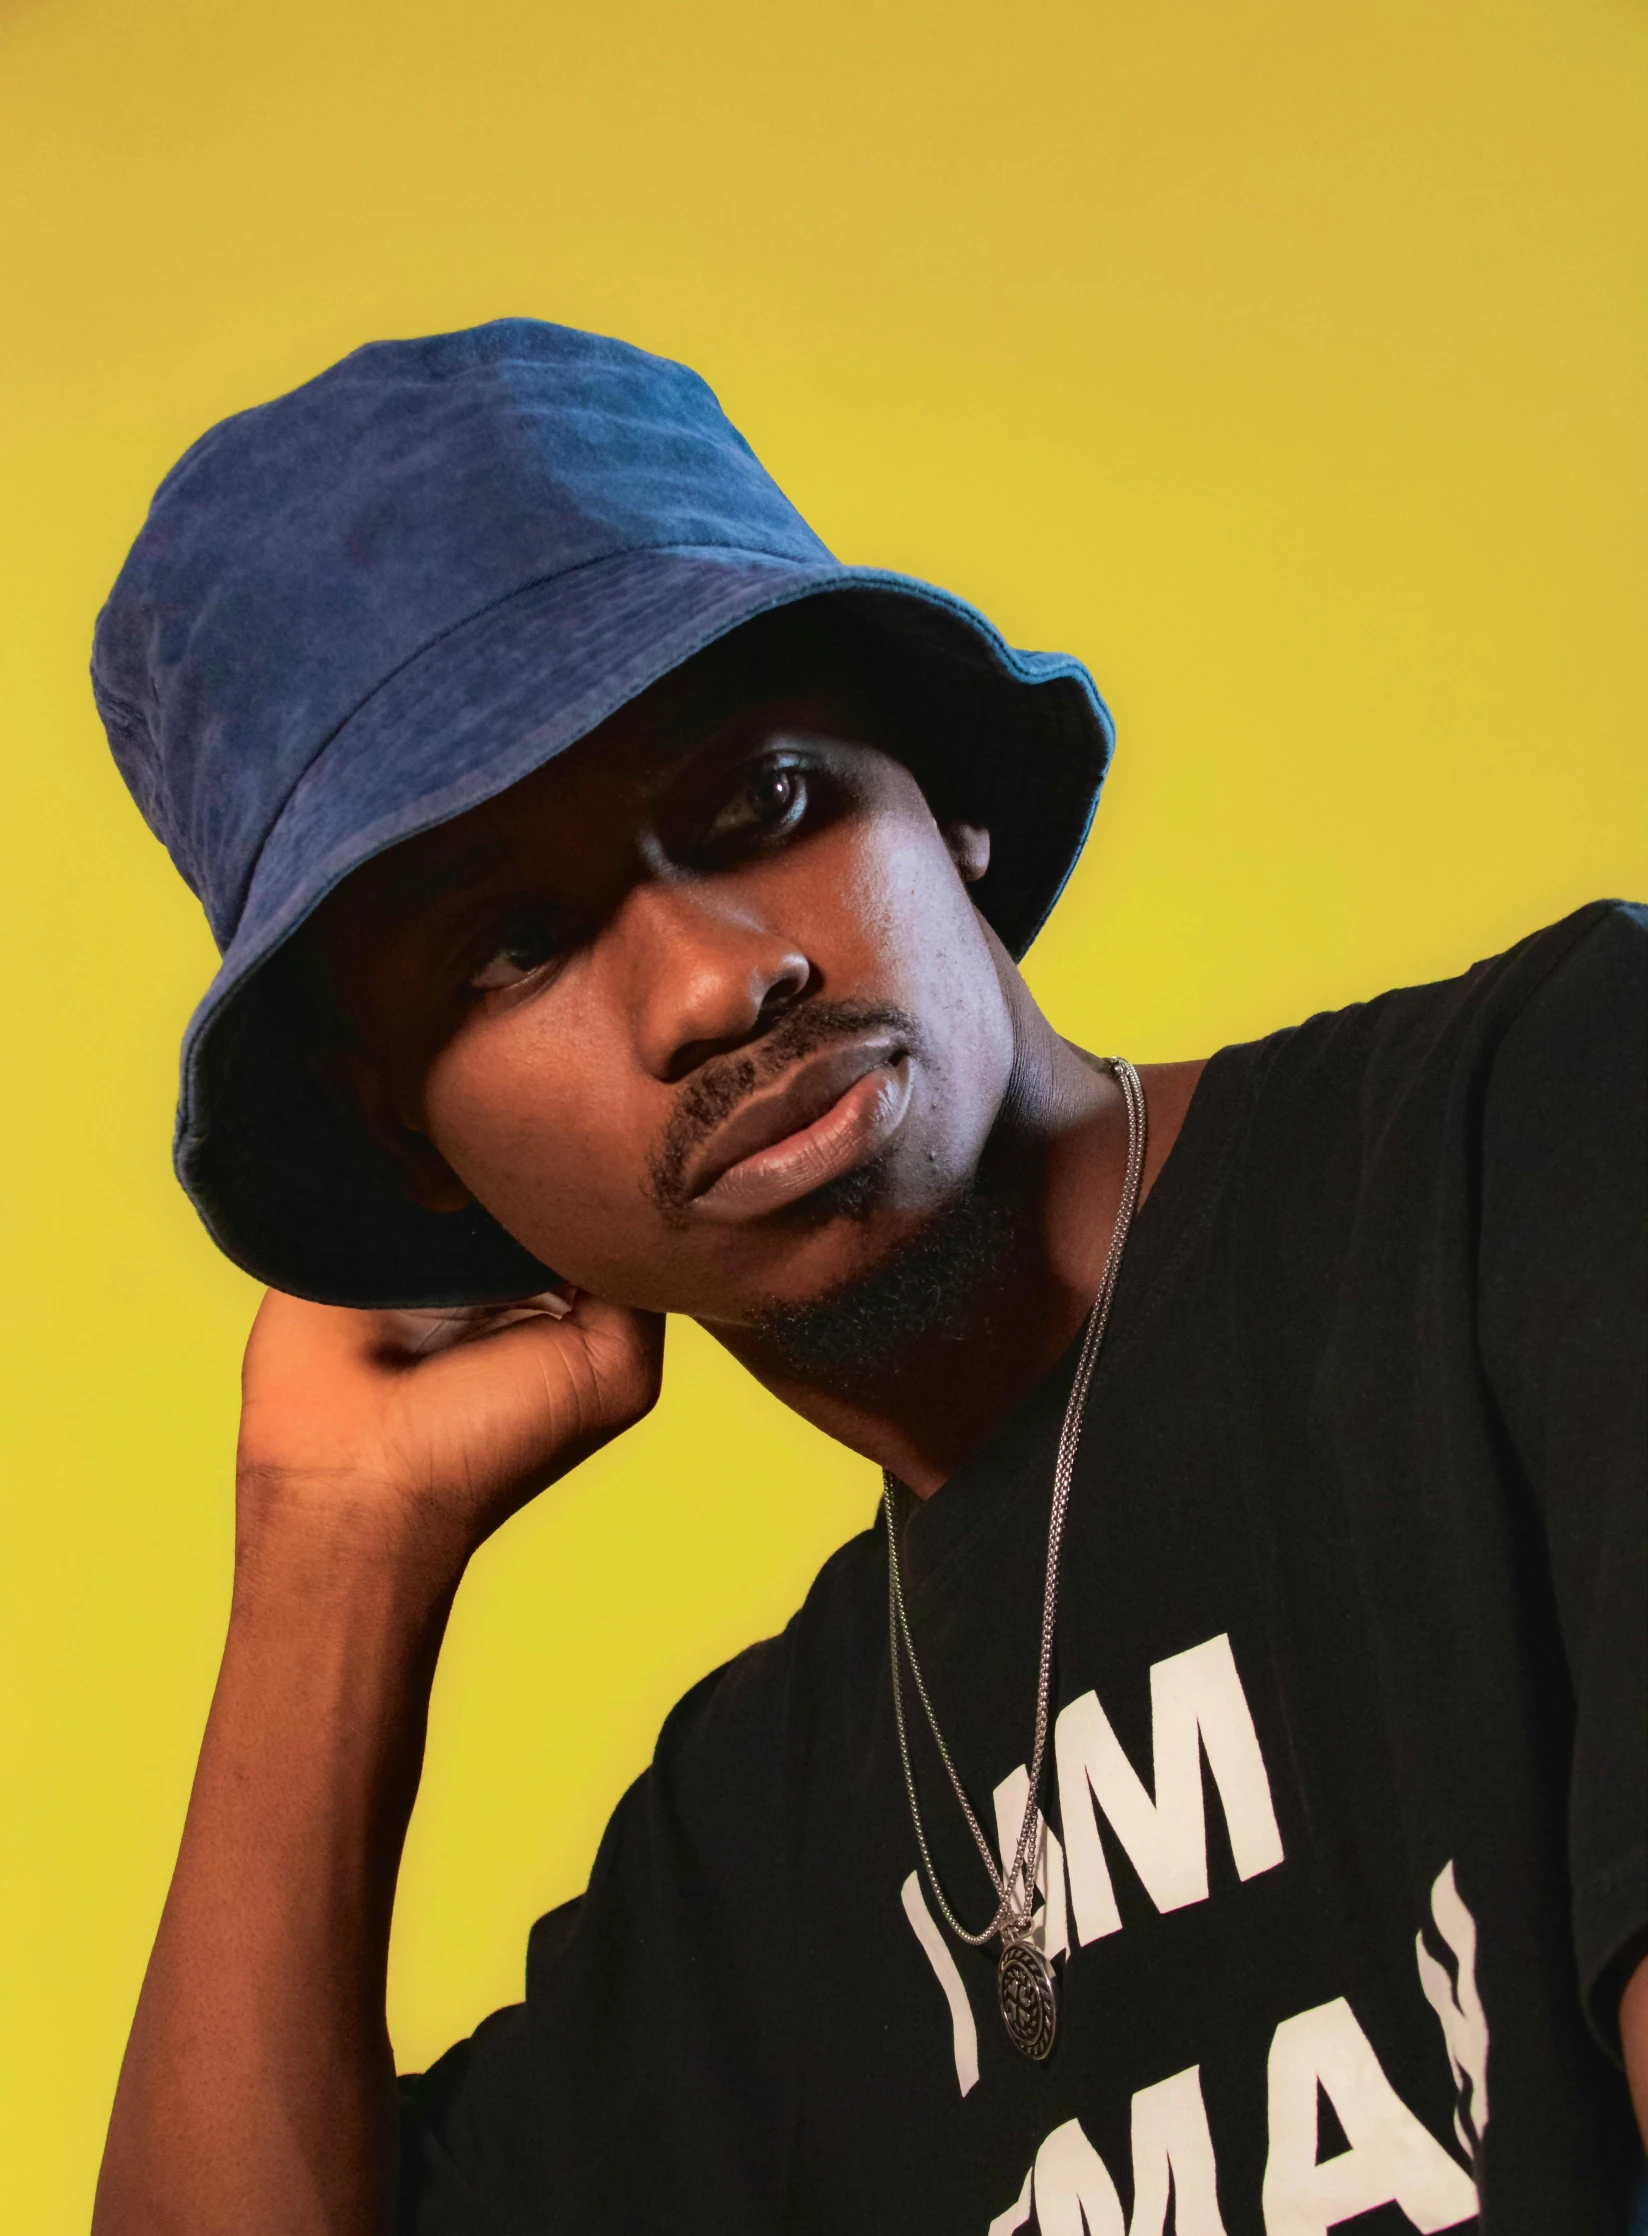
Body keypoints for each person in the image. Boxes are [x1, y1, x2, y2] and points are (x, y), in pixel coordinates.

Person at [86, 320, 1644, 2236]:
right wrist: (324, 1559)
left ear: (949, 801)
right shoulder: (754, 1856)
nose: (717, 981)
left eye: (764, 805)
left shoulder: (1547, 1136)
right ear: (414, 1140)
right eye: (506, 947)